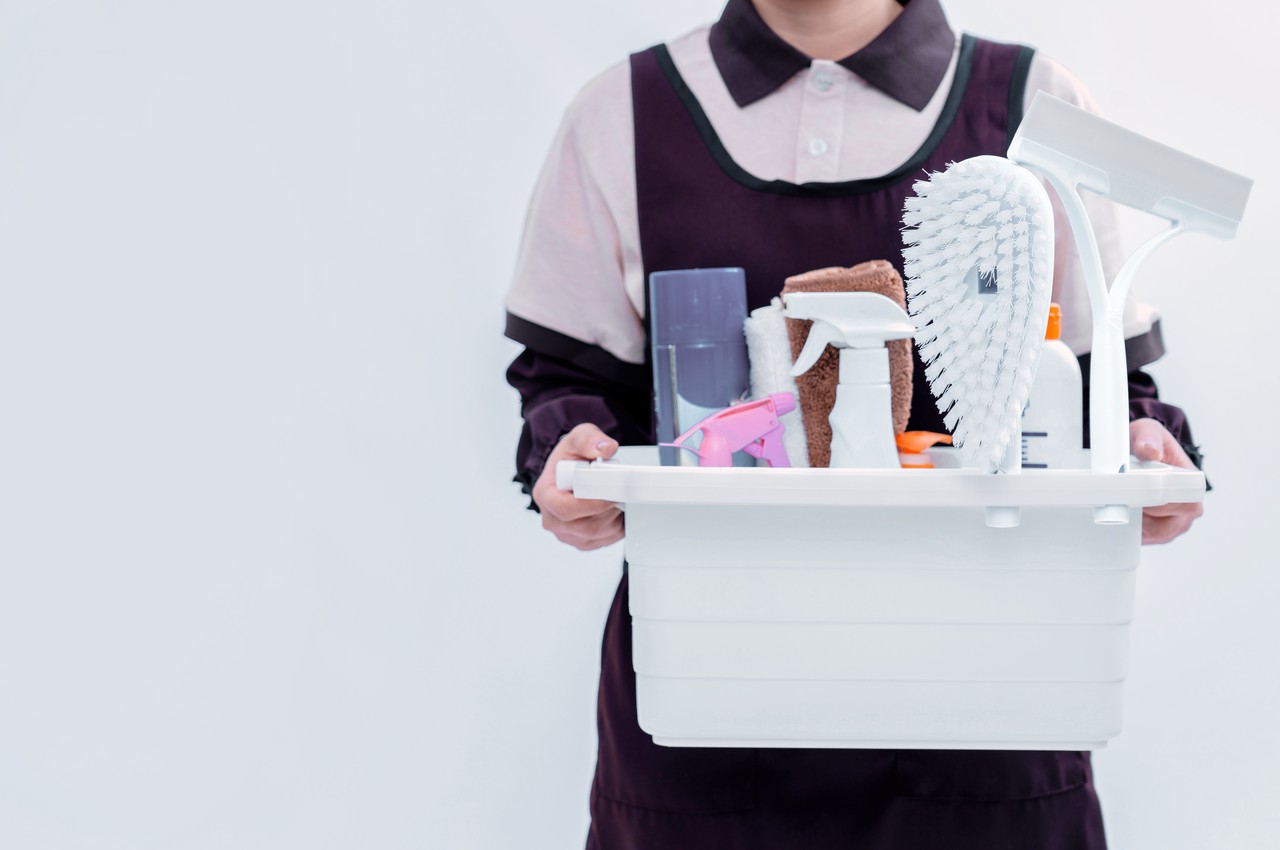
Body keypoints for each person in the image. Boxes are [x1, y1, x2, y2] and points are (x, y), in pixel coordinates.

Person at [504, 1, 1205, 846]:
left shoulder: (1031, 103)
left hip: (990, 724)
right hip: (707, 709)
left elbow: (1101, 383)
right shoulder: (623, 111)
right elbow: (568, 381)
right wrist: (571, 454)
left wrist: (1145, 446)